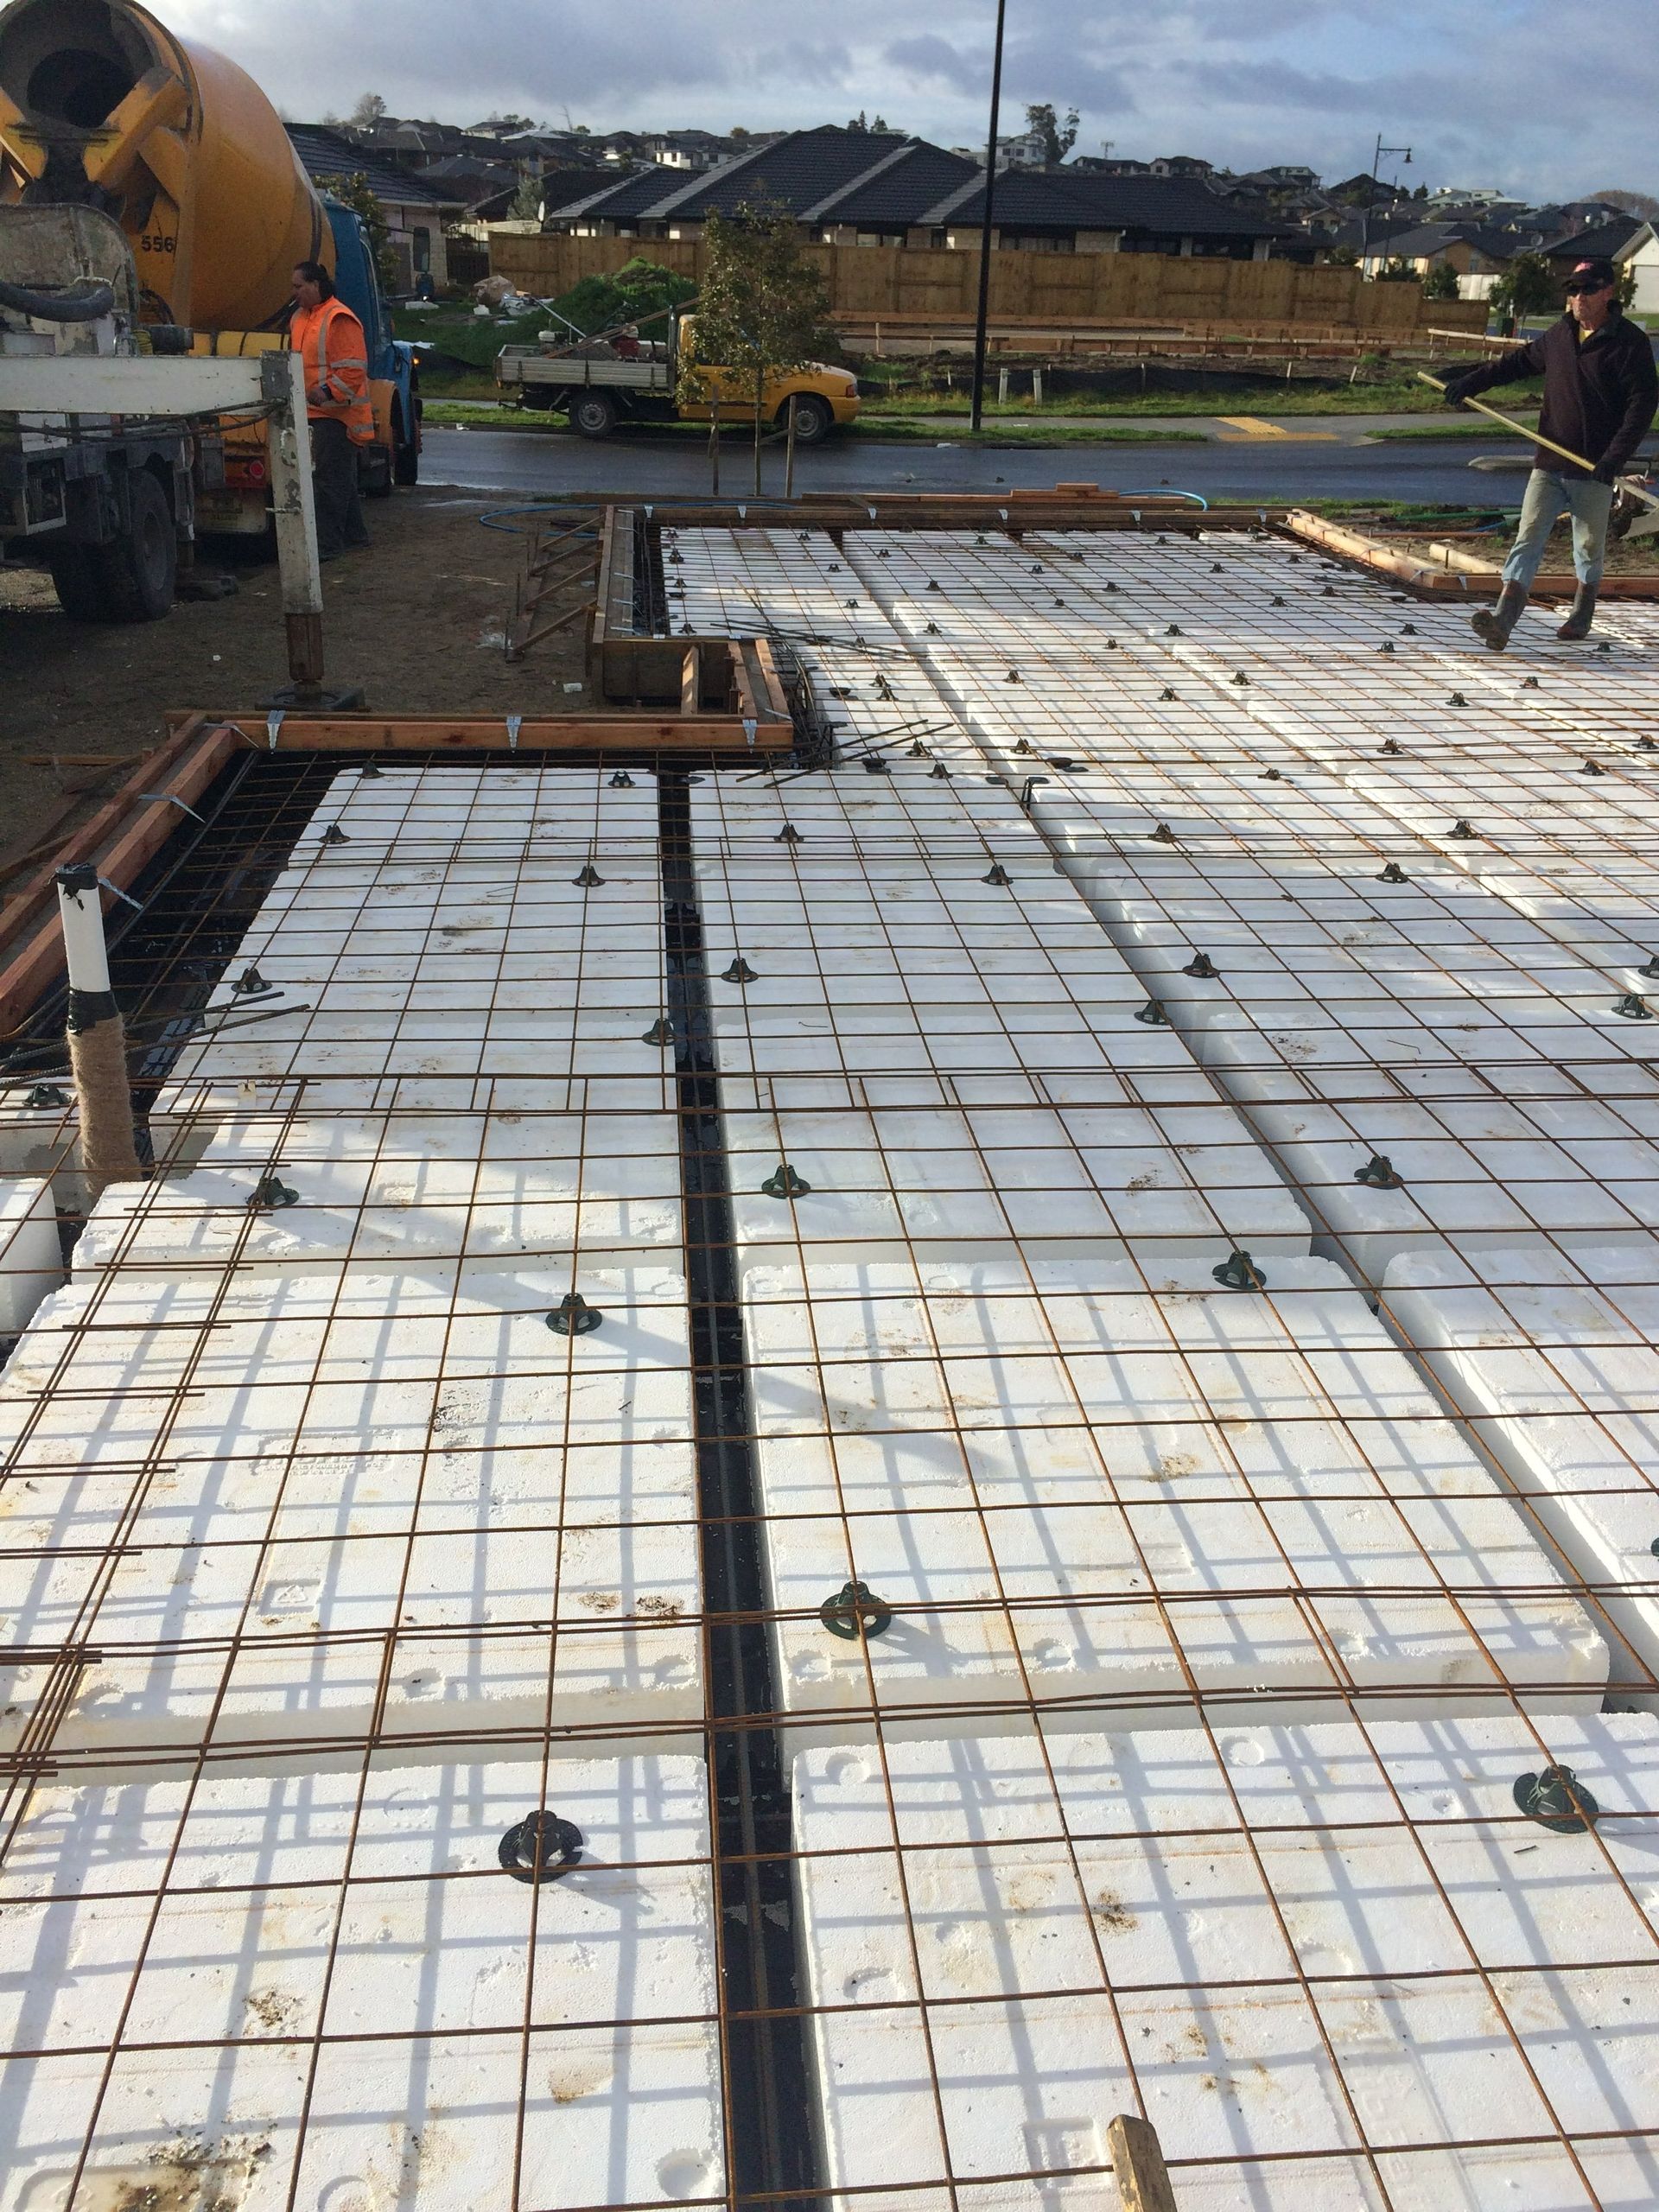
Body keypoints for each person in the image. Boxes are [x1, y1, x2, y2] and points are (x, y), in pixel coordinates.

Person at [1442, 257, 1657, 649]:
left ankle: (1581, 614)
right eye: (1573, 291)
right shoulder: (1560, 335)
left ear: (1609, 292)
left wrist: (1614, 458)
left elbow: (1642, 407)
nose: (1578, 298)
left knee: (1589, 545)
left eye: (1587, 290)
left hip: (1594, 468)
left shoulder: (1628, 343)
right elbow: (1518, 363)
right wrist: (1471, 381)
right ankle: (1503, 621)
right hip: (1550, 463)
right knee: (1529, 537)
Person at [289, 260, 375, 562]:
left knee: (328, 482)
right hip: (317, 412)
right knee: (340, 480)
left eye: (299, 286)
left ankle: (328, 546)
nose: (295, 292)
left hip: (337, 414)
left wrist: (325, 392)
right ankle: (354, 536)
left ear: (316, 285)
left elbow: (354, 370)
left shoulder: (339, 318)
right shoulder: (300, 318)